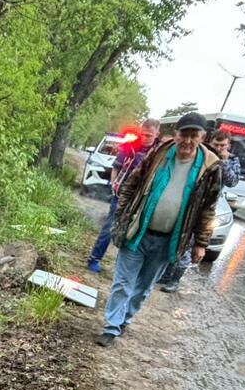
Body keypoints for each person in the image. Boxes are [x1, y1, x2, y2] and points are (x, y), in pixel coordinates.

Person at [95, 112, 223, 346]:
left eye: (194, 135)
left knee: (144, 286)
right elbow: (131, 184)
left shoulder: (210, 168)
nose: (187, 140)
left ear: (202, 137)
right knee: (123, 282)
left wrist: (201, 244)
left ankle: (125, 320)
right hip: (138, 231)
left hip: (170, 239)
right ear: (176, 135)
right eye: (184, 134)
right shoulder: (159, 154)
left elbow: (208, 208)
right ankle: (111, 327)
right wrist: (121, 216)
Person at [157, 129, 241, 293]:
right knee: (172, 238)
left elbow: (232, 182)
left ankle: (175, 279)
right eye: (216, 144)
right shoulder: (202, 154)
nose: (219, 147)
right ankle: (164, 275)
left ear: (228, 145)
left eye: (223, 145)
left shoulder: (232, 160)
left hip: (207, 206)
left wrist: (223, 161)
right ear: (210, 142)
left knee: (188, 244)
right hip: (187, 201)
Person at [86, 119, 160, 273]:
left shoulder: (159, 152)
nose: (145, 138)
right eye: (143, 134)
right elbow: (116, 168)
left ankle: (123, 268)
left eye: (149, 135)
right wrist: (114, 185)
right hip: (121, 195)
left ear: (157, 134)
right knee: (110, 227)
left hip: (142, 198)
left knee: (132, 233)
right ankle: (94, 258)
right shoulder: (130, 147)